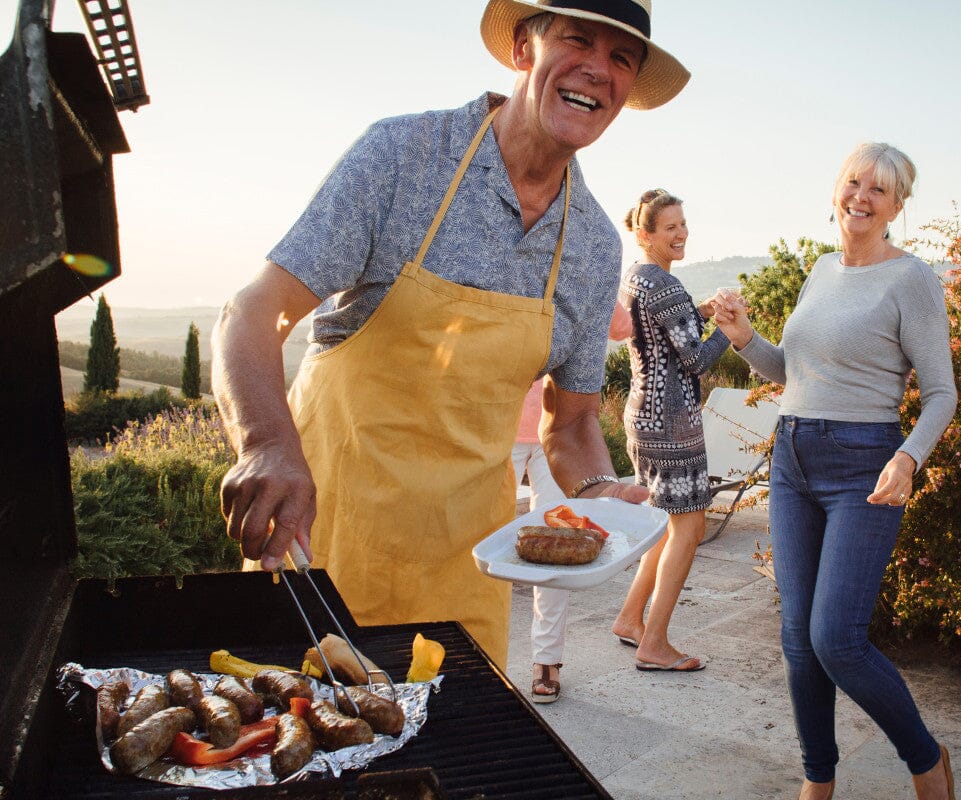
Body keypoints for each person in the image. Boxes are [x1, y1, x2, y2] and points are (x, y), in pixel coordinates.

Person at [211, 0, 690, 665]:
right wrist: (264, 443)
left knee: (454, 758)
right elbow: (254, 312)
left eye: (621, 58)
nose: (598, 71)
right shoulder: (404, 158)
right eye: (577, 40)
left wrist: (596, 492)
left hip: (467, 568)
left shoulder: (592, 244)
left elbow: (574, 424)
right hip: (324, 542)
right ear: (525, 48)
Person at [712, 143, 958, 800]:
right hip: (792, 458)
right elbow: (793, 373)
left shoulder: (912, 280)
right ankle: (817, 779)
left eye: (879, 190)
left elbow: (941, 393)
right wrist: (742, 337)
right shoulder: (821, 270)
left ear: (897, 206)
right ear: (836, 188)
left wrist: (908, 457)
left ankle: (927, 759)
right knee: (798, 639)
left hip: (864, 468)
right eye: (854, 182)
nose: (862, 197)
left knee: (837, 640)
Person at [610, 189, 734, 672]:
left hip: (642, 414)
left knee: (663, 523)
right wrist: (729, 324)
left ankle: (629, 619)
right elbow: (697, 360)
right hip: (672, 423)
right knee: (691, 524)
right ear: (645, 234)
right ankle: (655, 643)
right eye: (670, 228)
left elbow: (661, 329)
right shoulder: (665, 285)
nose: (681, 234)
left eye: (683, 224)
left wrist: (699, 313)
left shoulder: (636, 279)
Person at [515, 304, 632, 703]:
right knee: (480, 549)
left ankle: (546, 659)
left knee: (555, 549)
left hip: (559, 435)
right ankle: (477, 653)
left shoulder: (578, 262)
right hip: (496, 429)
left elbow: (620, 326)